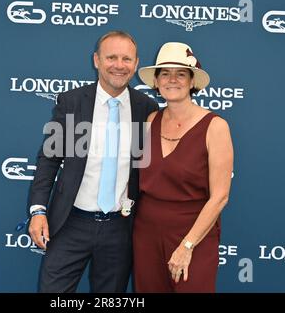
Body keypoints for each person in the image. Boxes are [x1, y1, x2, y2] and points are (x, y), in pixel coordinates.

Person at [27, 30, 158, 293]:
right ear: (96, 60)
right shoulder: (72, 102)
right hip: (69, 223)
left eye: (126, 59)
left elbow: (149, 168)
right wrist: (38, 210)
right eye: (111, 57)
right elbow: (49, 159)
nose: (119, 65)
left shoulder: (146, 108)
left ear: (136, 64)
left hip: (120, 229)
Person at [133, 42, 234, 292]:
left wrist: (187, 245)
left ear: (192, 81)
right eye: (165, 73)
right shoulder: (150, 121)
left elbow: (220, 197)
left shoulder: (215, 126)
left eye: (181, 74)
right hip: (146, 232)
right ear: (156, 81)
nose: (172, 80)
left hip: (194, 232)